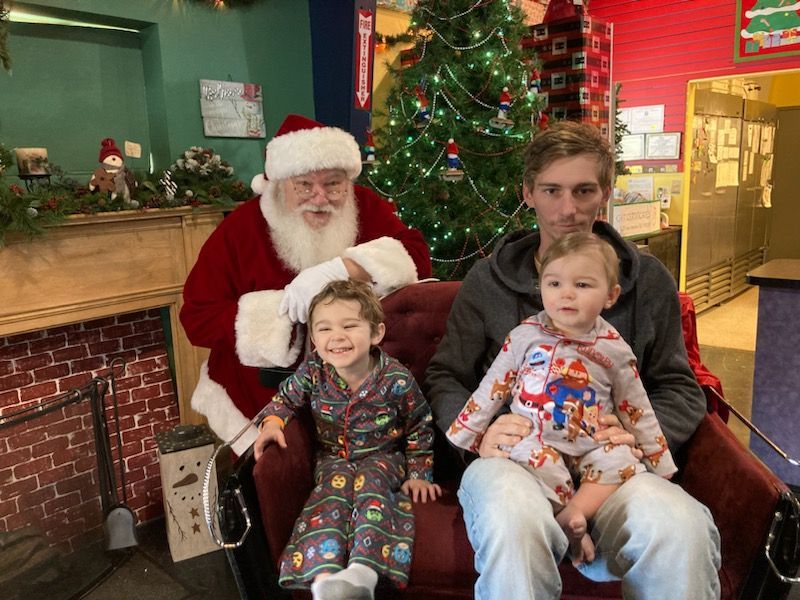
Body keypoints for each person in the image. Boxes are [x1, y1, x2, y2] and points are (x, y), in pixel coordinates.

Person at [425, 120, 721, 599]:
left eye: (584, 190)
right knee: (512, 518)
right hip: (515, 460)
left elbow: (680, 386)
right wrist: (479, 432)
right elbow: (446, 375)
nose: (568, 209)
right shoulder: (487, 282)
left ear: (604, 192)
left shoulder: (648, 281)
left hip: (610, 467)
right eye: (552, 190)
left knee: (680, 526)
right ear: (528, 193)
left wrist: (639, 433)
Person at [180, 114, 432, 454]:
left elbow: (415, 256)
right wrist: (281, 316)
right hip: (264, 393)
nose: (320, 197)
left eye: (333, 183)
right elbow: (197, 317)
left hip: (360, 389)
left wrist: (343, 269)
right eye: (304, 185)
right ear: (280, 182)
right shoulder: (239, 230)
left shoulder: (367, 207)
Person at [446, 231, 677, 566]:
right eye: (554, 284)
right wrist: (470, 435)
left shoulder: (615, 349)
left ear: (611, 295)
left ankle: (574, 514)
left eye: (582, 286)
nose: (566, 294)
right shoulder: (524, 336)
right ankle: (565, 523)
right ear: (541, 288)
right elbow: (492, 388)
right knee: (529, 461)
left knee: (624, 461)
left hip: (593, 443)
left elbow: (636, 407)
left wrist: (660, 461)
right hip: (535, 438)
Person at [253, 279, 442, 600]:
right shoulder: (314, 370)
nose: (336, 337)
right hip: (332, 461)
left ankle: (362, 574)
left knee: (373, 492)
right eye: (324, 329)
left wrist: (419, 475)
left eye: (349, 326)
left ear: (376, 333)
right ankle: (325, 579)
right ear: (313, 339)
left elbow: (419, 426)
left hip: (384, 459)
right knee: (329, 499)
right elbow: (286, 399)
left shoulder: (396, 379)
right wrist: (272, 422)